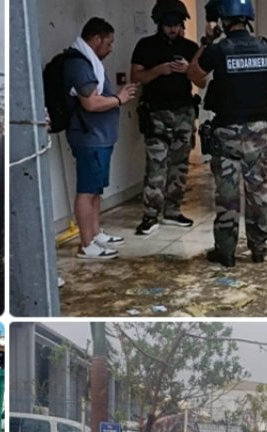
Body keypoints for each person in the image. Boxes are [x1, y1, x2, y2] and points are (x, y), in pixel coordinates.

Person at [189, 0, 267, 267]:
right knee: (257, 192)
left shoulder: (218, 51)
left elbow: (194, 75)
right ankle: (258, 249)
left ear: (223, 20)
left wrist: (207, 40)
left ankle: (226, 253)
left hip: (227, 133)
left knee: (227, 195)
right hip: (257, 132)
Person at [64, 17, 138, 260]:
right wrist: (119, 98)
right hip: (89, 137)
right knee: (86, 190)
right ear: (96, 39)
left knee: (95, 189)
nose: (111, 48)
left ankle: (95, 233)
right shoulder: (79, 63)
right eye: (109, 42)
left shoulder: (90, 61)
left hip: (99, 137)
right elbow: (91, 102)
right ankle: (86, 244)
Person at [130, 0, 200, 237]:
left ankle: (173, 210)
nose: (172, 28)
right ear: (159, 23)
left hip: (183, 112)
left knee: (179, 165)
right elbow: (136, 76)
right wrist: (158, 71)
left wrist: (187, 69)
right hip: (156, 113)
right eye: (168, 24)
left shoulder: (190, 47)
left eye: (177, 24)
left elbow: (202, 80)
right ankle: (150, 215)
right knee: (156, 166)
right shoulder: (146, 46)